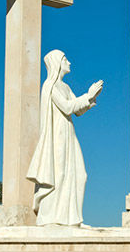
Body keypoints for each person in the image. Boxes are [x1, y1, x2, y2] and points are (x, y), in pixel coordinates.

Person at [26, 50, 103, 226]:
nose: (69, 63)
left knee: (79, 174)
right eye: (65, 59)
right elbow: (67, 107)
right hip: (57, 137)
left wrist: (91, 99)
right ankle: (52, 218)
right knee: (58, 174)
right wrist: (88, 95)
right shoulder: (50, 85)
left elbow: (77, 110)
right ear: (57, 63)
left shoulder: (65, 87)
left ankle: (72, 218)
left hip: (68, 134)